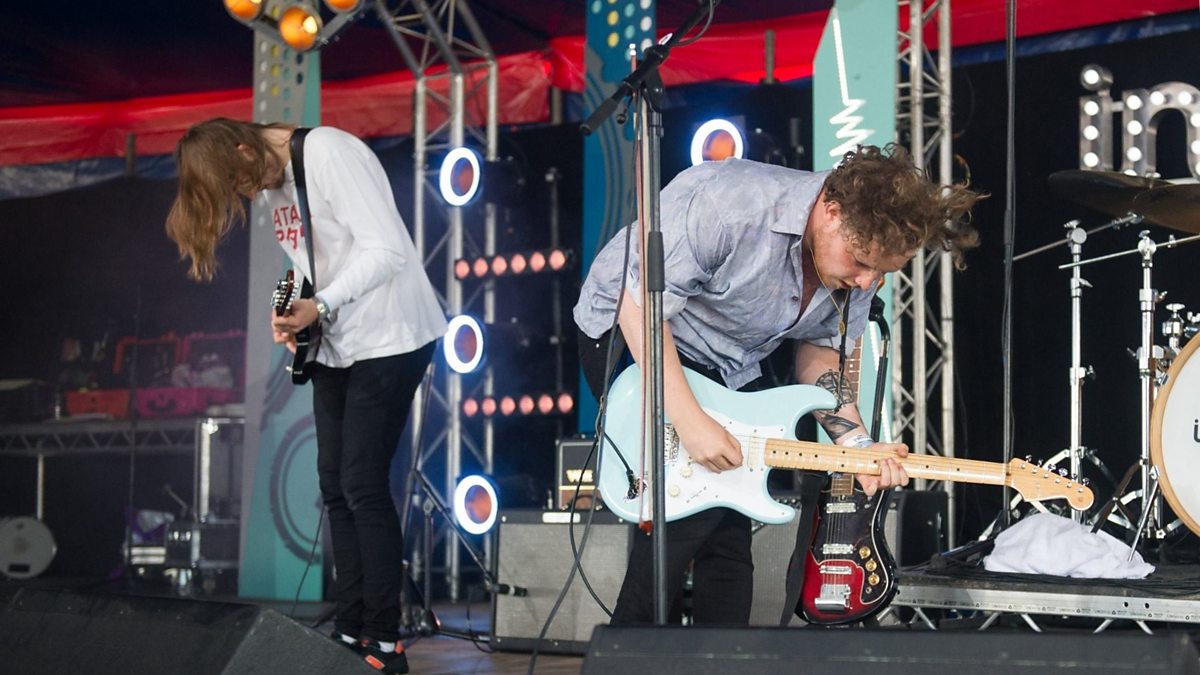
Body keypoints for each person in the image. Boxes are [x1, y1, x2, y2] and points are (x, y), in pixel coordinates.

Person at [574, 144, 982, 625]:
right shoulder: (733, 206)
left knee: (729, 524)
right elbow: (639, 303)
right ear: (831, 212)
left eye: (882, 272)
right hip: (629, 329)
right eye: (860, 261)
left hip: (725, 359)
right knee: (691, 516)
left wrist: (857, 446)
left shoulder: (859, 263)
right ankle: (627, 646)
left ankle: (711, 655)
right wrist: (689, 420)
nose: (866, 281)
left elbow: (819, 356)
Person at [166, 118, 447, 673]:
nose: (247, 194)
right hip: (338, 344)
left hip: (392, 335)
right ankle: (349, 627)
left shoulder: (328, 153)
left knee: (363, 483)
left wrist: (320, 305)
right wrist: (295, 309)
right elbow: (312, 264)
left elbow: (388, 251)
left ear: (245, 151)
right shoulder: (275, 182)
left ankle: (384, 640)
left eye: (238, 183)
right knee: (334, 487)